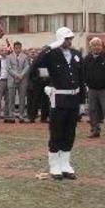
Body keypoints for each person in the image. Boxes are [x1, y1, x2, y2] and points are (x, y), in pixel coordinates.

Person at [30, 27, 85, 180]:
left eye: (70, 39)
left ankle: (65, 164)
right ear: (60, 39)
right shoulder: (52, 54)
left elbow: (81, 78)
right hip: (58, 99)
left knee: (70, 132)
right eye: (66, 39)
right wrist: (50, 47)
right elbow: (35, 66)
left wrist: (82, 101)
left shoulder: (76, 54)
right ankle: (54, 165)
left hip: (73, 99)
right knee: (57, 131)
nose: (69, 41)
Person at [5, 41, 30, 123]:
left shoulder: (25, 56)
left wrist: (21, 75)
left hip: (22, 80)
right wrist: (16, 75)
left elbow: (27, 66)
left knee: (22, 98)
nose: (18, 50)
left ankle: (21, 115)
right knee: (11, 98)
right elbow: (8, 68)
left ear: (21, 48)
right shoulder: (9, 57)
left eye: (19, 48)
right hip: (12, 79)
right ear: (14, 48)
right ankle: (11, 115)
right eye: (16, 48)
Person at [27, 47, 50, 123]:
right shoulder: (37, 60)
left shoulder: (49, 60)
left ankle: (44, 117)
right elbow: (32, 71)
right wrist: (37, 79)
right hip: (37, 83)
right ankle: (32, 117)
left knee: (45, 101)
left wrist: (48, 79)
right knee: (35, 100)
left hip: (46, 83)